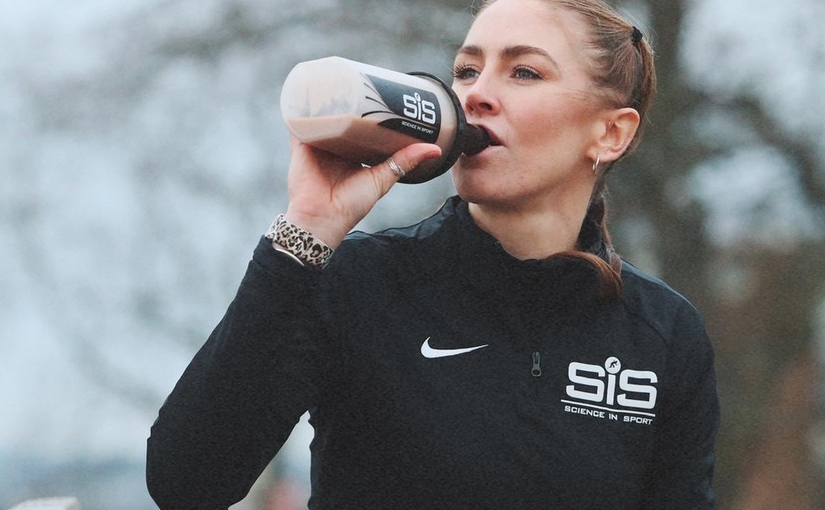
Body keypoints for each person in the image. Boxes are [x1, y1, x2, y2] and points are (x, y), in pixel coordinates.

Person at [146, 0, 720, 508]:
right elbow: (186, 485)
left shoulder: (662, 333)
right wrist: (306, 233)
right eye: (466, 70)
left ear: (611, 133)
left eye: (524, 71)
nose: (475, 95)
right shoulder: (360, 278)